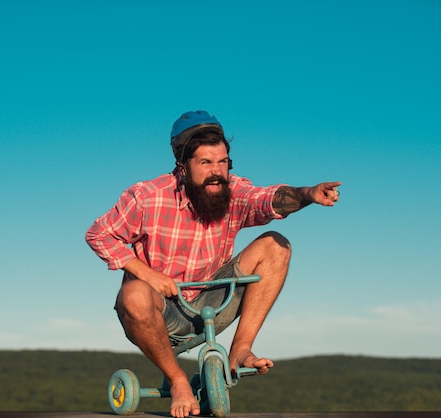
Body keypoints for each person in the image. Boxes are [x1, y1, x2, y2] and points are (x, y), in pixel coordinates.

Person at [85, 110, 341, 418]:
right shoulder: (146, 197)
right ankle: (177, 380)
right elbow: (99, 234)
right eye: (205, 163)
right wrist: (146, 274)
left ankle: (240, 351)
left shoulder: (231, 191)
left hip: (213, 300)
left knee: (276, 244)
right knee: (133, 294)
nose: (216, 171)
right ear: (182, 166)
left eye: (222, 162)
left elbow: (266, 198)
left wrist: (308, 194)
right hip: (161, 310)